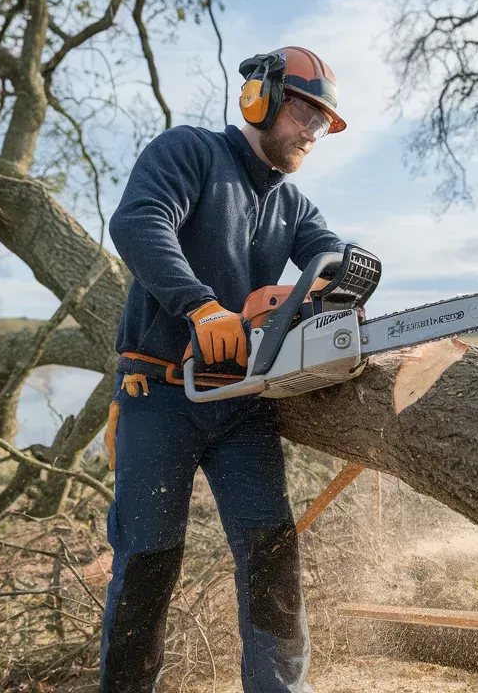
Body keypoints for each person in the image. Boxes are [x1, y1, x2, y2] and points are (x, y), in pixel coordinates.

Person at [100, 46, 348, 692]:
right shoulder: (192, 153)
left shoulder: (291, 202)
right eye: (304, 113)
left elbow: (328, 248)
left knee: (272, 553)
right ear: (259, 98)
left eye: (323, 124)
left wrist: (323, 280)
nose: (312, 133)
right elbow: (138, 221)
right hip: (159, 392)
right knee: (147, 563)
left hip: (242, 400)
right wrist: (203, 308)